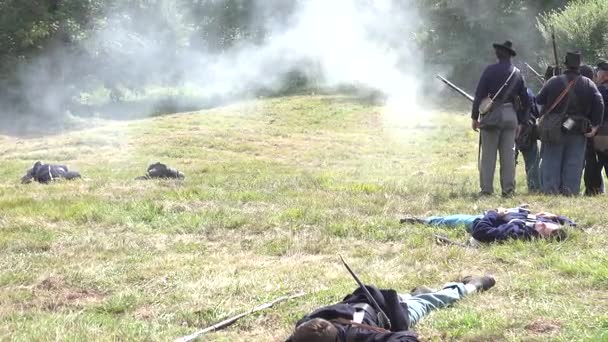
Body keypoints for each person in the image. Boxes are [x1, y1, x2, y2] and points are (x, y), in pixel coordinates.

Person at [285, 275, 496, 342]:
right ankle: (418, 292)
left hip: (391, 310)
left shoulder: (358, 334)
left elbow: (408, 337)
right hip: (363, 299)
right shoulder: (302, 332)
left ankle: (472, 285)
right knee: (419, 296)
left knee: (435, 300)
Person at [536, 51, 605, 195]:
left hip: (554, 128)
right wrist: (595, 126)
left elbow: (539, 101)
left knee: (551, 160)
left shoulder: (554, 81)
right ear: (579, 66)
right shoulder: (589, 83)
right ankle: (570, 192)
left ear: (565, 65)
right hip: (578, 128)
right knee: (574, 162)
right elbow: (599, 104)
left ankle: (551, 191)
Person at [471, 41, 530, 197]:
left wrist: (474, 117)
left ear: (498, 54)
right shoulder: (517, 73)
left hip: (491, 115)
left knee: (488, 156)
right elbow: (526, 100)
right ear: (510, 56)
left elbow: (479, 94)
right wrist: (522, 122)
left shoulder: (490, 70)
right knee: (508, 157)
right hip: (511, 115)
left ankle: (486, 190)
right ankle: (508, 190)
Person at [401, 207, 573, 243]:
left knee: (456, 220)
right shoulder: (549, 222)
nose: (542, 224)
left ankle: (426, 221)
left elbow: (481, 232)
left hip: (485, 219)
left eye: (543, 228)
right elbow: (575, 226)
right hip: (509, 212)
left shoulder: (515, 233)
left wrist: (493, 214)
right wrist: (556, 216)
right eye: (547, 223)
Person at [584, 60, 608, 195]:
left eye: (597, 73)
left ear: (604, 75)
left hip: (600, 133)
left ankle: (593, 190)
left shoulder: (597, 91)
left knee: (593, 163)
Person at [516, 88, 541, 192]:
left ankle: (508, 188)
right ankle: (534, 187)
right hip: (527, 129)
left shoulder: (505, 92)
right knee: (532, 161)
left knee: (508, 161)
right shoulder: (529, 92)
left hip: (510, 129)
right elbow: (536, 112)